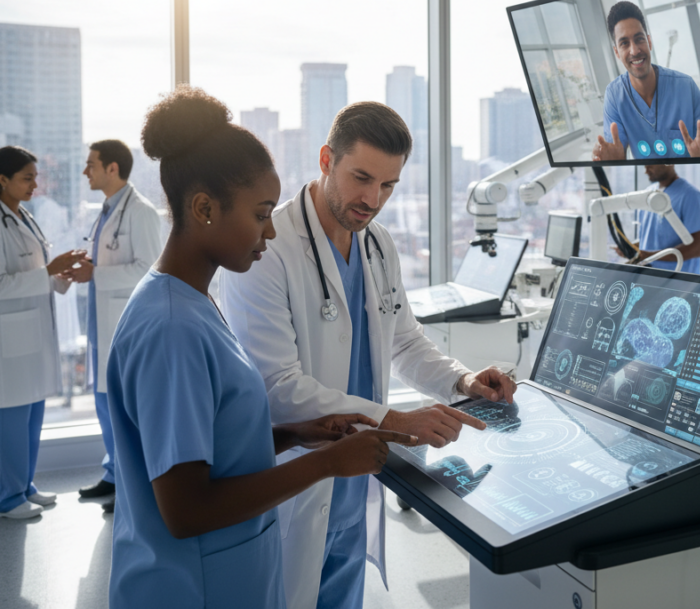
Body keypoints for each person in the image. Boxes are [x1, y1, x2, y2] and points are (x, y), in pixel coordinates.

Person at [105, 87, 416, 608]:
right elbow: (187, 510)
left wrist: (295, 432)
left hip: (227, 576)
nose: (272, 231)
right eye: (261, 213)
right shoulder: (172, 328)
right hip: (192, 588)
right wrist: (327, 464)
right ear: (204, 208)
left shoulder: (194, 305)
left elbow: (211, 443)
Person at [220, 101, 516, 609]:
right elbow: (275, 386)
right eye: (361, 178)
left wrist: (464, 381)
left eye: (388, 186)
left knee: (341, 592)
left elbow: (403, 340)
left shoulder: (378, 244)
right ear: (325, 160)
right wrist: (395, 420)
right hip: (297, 479)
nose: (372, 199)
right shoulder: (267, 246)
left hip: (356, 478)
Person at [70, 140, 161, 513]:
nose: (84, 171)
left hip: (122, 325)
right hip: (100, 324)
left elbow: (149, 269)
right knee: (105, 407)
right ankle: (113, 476)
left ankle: (131, 488)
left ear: (112, 168)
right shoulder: (106, 210)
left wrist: (98, 273)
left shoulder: (141, 212)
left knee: (124, 412)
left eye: (90, 164)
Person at [0, 146, 83, 520]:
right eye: (26, 178)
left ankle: (24, 486)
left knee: (33, 415)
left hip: (32, 334)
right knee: (12, 422)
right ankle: (7, 498)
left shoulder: (22, 216)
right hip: (10, 341)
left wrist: (59, 276)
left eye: (35, 176)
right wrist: (48, 272)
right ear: (2, 180)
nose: (36, 184)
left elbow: (36, 275)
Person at [592, 0, 700, 162]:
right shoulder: (614, 95)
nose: (634, 50)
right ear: (617, 53)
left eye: (639, 39)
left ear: (649, 42)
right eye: (624, 43)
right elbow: (615, 152)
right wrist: (615, 163)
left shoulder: (686, 87)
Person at [622, 163, 700, 273]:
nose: (646, 171)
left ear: (669, 162)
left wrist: (650, 256)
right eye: (645, 166)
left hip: (679, 282)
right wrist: (631, 247)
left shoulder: (691, 195)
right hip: (649, 278)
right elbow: (649, 240)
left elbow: (697, 248)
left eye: (650, 165)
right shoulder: (648, 194)